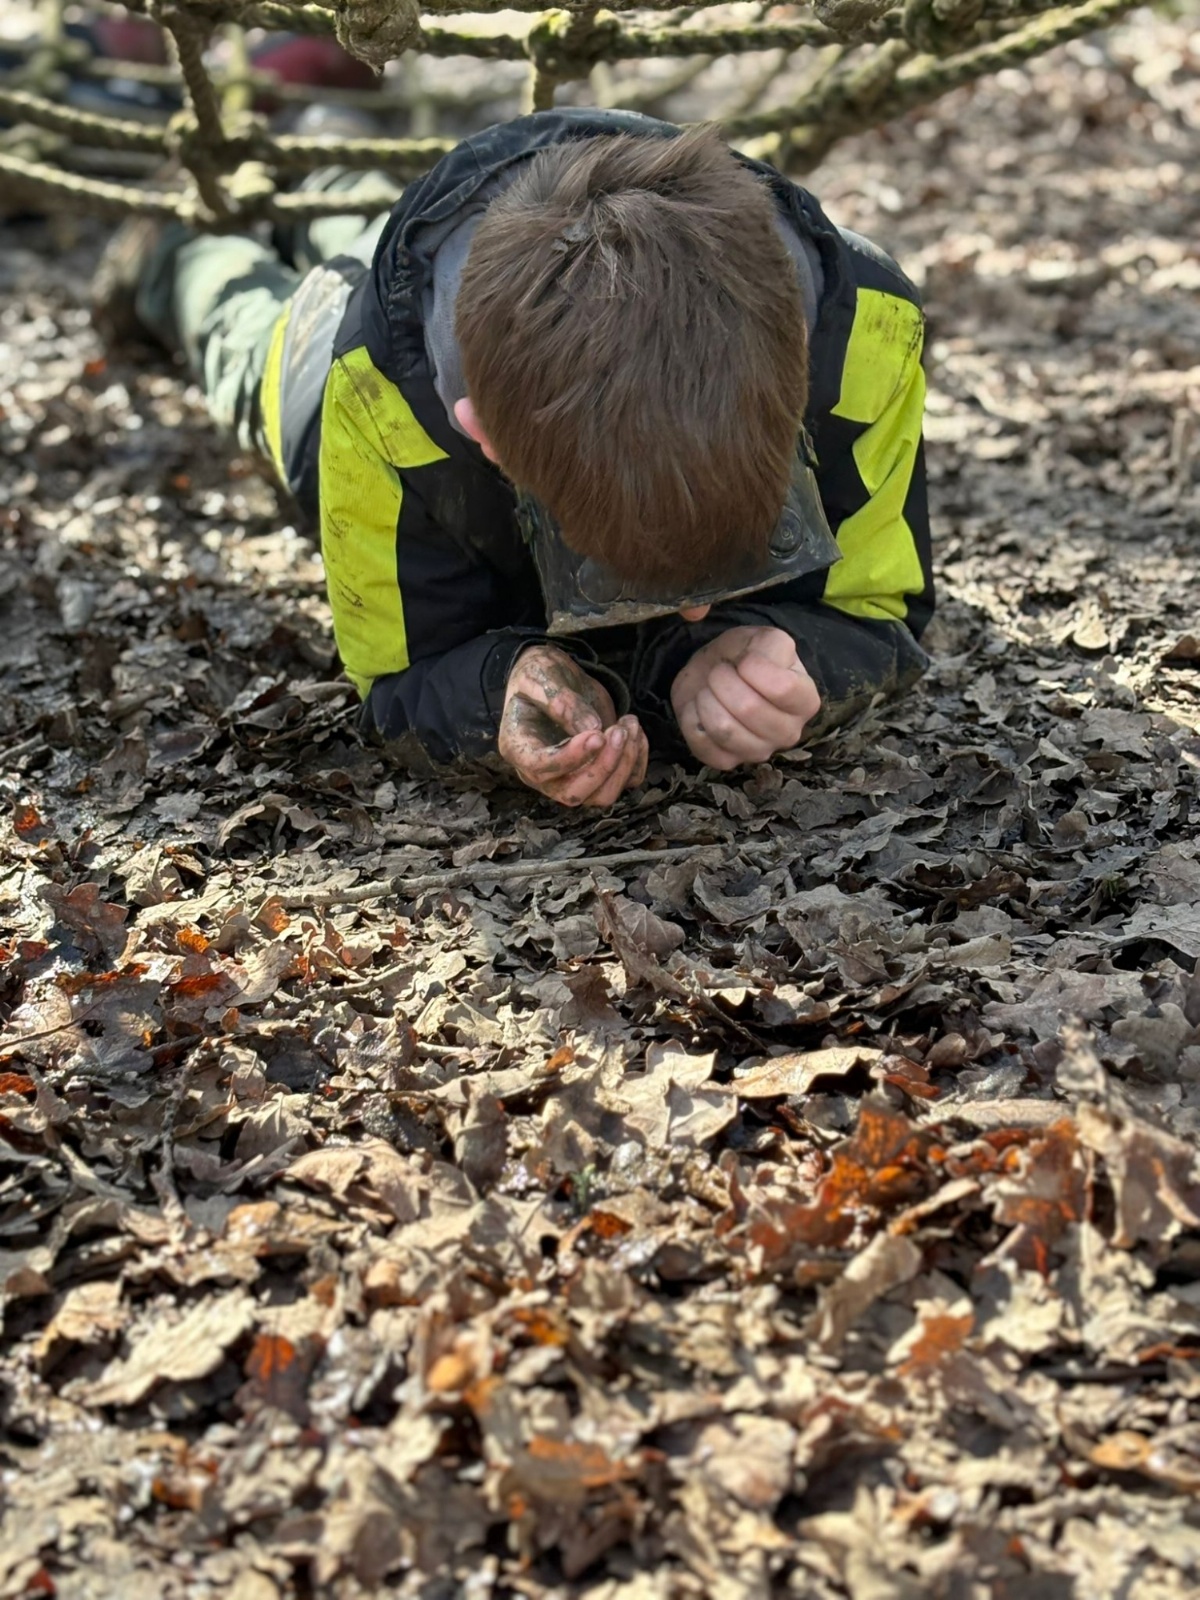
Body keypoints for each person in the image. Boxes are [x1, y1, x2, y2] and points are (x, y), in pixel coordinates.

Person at [97, 109, 934, 808]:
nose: (690, 613)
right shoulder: (374, 399)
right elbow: (398, 676)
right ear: (484, 439)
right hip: (361, 336)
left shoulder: (863, 328)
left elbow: (881, 608)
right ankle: (178, 248)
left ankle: (324, 144)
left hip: (500, 251)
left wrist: (794, 656)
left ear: (803, 384)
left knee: (367, 218)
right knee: (244, 330)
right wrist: (492, 689)